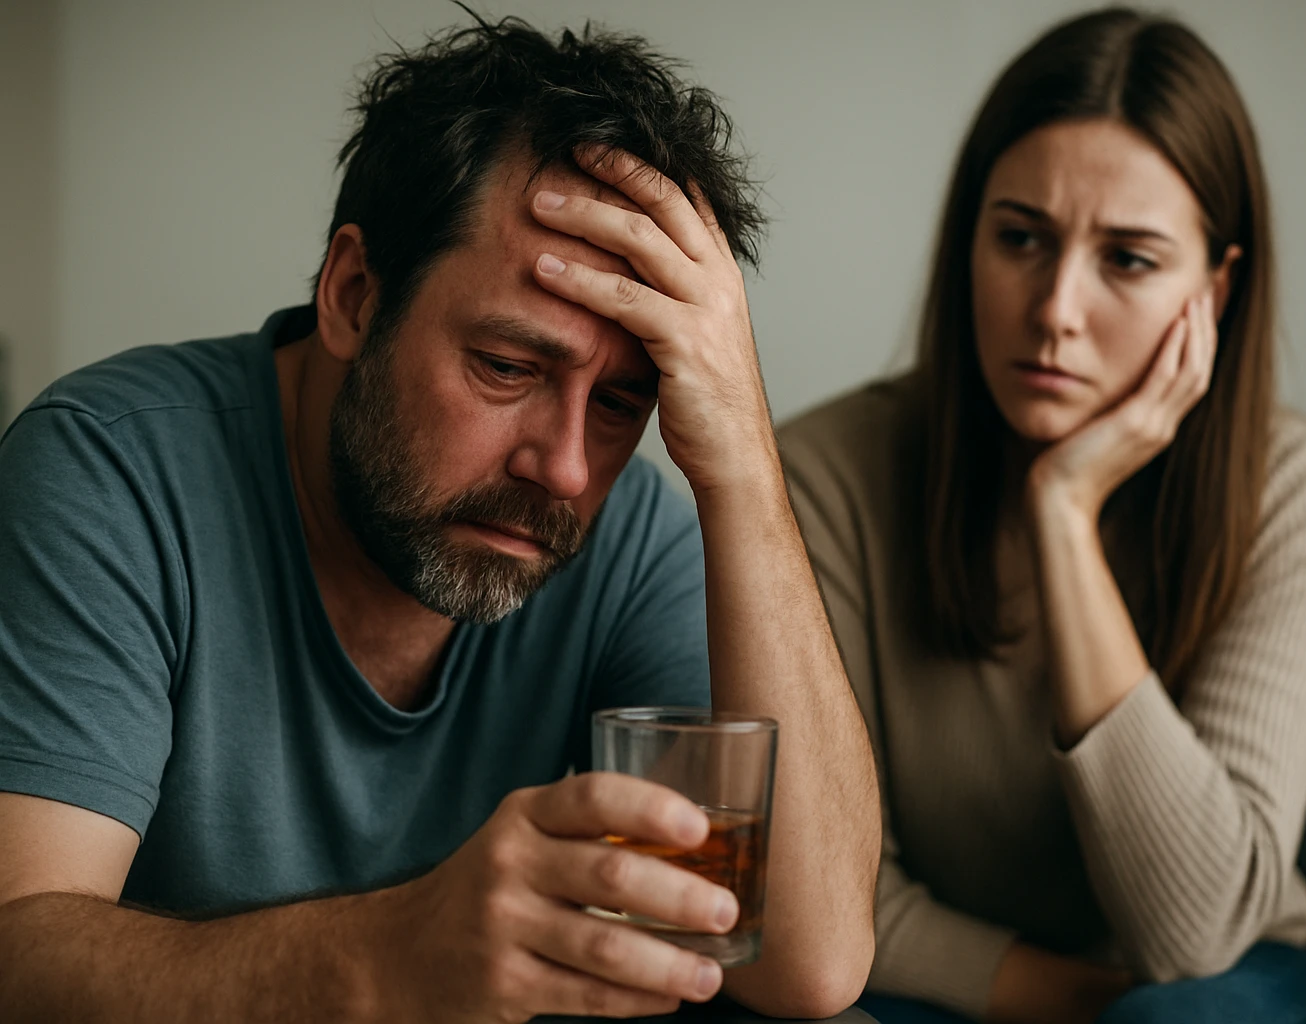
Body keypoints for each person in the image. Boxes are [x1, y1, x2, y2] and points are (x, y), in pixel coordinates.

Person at [0, 15, 878, 1021]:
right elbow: (18, 954)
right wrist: (391, 954)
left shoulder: (626, 531)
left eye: (622, 404)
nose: (561, 466)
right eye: (508, 367)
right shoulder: (111, 466)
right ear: (354, 293)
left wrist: (746, 471)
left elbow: (810, 969)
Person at [778, 8, 1306, 1024]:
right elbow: (828, 895)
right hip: (940, 976)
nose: (1055, 308)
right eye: (1020, 238)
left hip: (1213, 986)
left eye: (1128, 259)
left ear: (1216, 292)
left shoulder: (1295, 487)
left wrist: (1064, 511)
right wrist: (1076, 1006)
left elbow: (1191, 935)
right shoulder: (826, 472)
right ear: (969, 241)